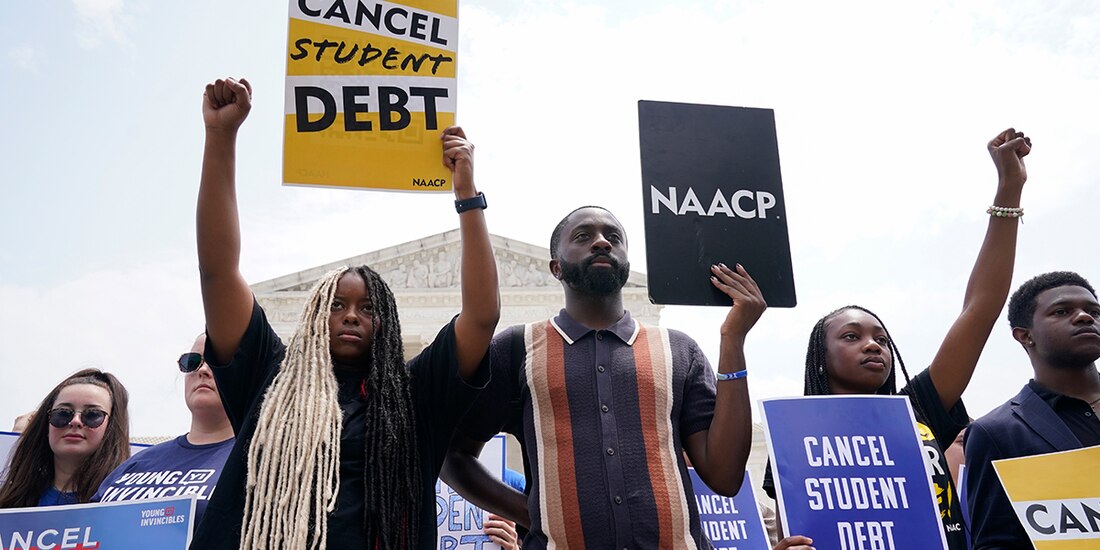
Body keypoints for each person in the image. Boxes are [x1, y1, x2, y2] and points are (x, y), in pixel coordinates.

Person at [192, 77, 499, 550]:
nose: (351, 316)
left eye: (367, 308)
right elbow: (217, 271)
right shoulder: (268, 374)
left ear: (387, 324)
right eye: (336, 305)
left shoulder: (416, 393)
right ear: (315, 315)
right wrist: (220, 136)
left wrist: (467, 196)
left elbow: (481, 317)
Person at [765, 128, 1031, 550]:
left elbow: (979, 310)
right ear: (820, 358)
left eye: (882, 339)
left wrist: (1009, 189)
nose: (873, 345)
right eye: (851, 336)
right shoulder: (795, 436)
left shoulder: (919, 407)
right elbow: (795, 531)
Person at [442, 205, 766, 548]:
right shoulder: (517, 348)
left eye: (614, 237)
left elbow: (725, 477)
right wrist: (532, 514)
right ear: (556, 267)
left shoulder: (678, 350)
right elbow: (453, 457)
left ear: (626, 263)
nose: (601, 242)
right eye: (583, 236)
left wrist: (733, 340)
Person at [964, 271, 1100, 549]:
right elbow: (996, 542)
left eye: (1094, 311)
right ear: (1025, 336)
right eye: (1062, 311)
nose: (1085, 317)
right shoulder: (996, 432)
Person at [92, 334, 234, 525]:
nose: (202, 370)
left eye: (218, 361)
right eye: (192, 362)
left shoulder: (258, 461)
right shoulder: (135, 464)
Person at [0, 369, 130, 508]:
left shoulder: (125, 503)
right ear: (46, 424)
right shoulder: (11, 501)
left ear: (111, 427)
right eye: (63, 413)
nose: (75, 421)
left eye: (92, 414)